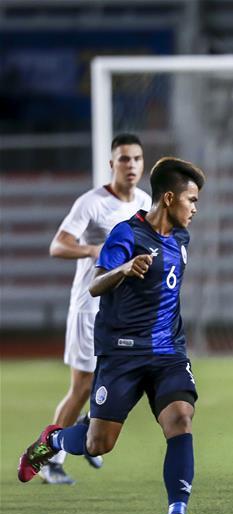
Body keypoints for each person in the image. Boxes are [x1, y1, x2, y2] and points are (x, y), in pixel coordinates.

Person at [18, 157, 207, 514]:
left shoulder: (182, 238)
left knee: (180, 419)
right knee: (97, 443)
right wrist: (124, 270)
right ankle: (51, 440)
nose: (195, 208)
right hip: (123, 353)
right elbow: (96, 284)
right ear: (169, 198)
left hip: (168, 352)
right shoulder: (127, 235)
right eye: (191, 200)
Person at [40, 132, 152, 484]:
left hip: (124, 310)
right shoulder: (92, 203)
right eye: (123, 159)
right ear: (111, 164)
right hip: (90, 307)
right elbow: (57, 247)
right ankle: (48, 458)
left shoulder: (146, 203)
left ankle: (89, 433)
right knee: (83, 387)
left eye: (135, 159)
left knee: (130, 378)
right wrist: (95, 251)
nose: (130, 165)